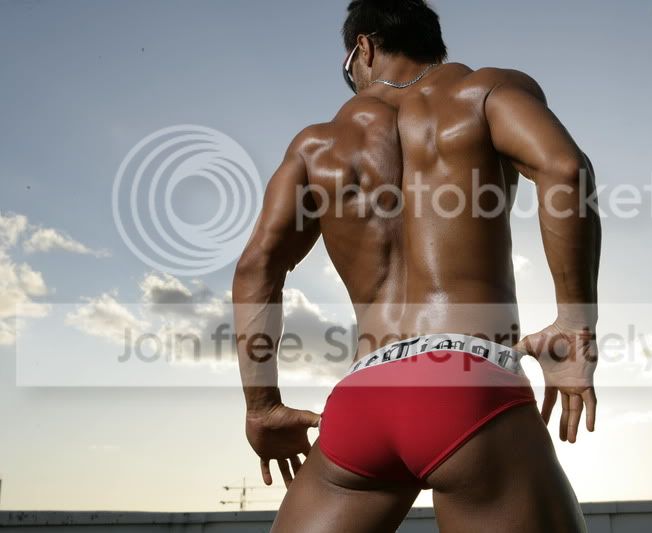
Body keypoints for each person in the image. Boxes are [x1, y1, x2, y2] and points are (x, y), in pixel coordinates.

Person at [232, 0, 600, 531]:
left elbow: (257, 267)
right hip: (469, 379)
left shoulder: (315, 146)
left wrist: (262, 406)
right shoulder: (484, 92)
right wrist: (575, 321)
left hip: (364, 394)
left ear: (363, 48)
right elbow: (565, 170)